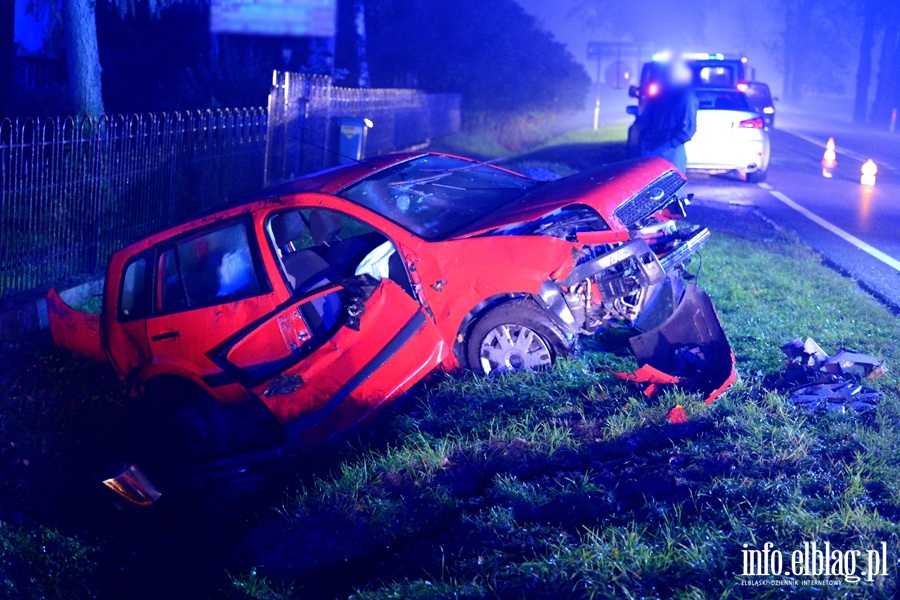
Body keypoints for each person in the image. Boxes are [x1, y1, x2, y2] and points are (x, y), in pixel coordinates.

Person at [638, 60, 698, 174]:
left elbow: (687, 129)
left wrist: (668, 145)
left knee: (670, 188)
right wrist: (646, 139)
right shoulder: (659, 94)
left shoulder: (685, 96)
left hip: (670, 151)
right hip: (652, 147)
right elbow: (647, 117)